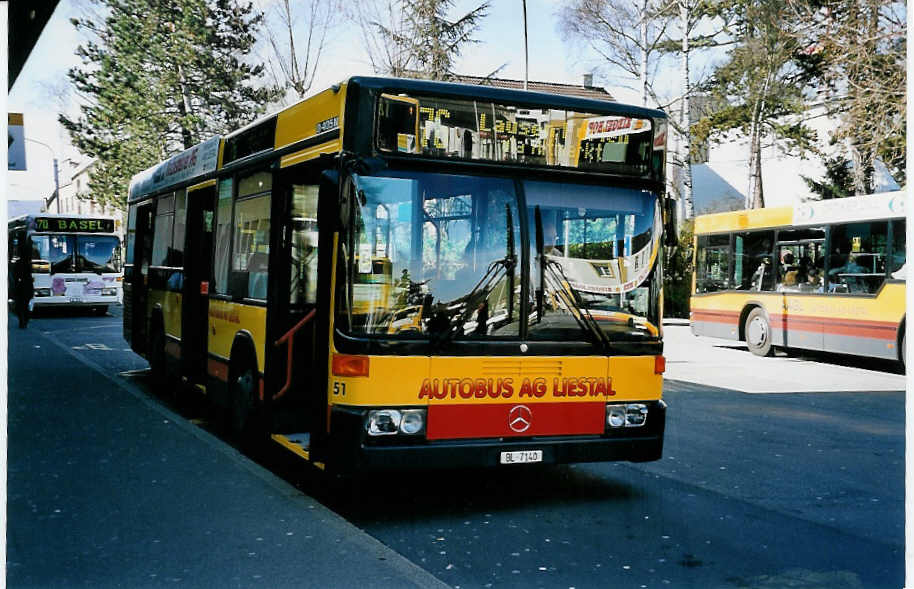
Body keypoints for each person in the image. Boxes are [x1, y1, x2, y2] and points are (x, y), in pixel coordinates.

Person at [13, 237, 33, 328]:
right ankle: (24, 321)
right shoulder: (28, 264)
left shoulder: (18, 263)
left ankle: (22, 321)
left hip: (20, 287)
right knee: (25, 305)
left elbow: (15, 276)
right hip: (27, 287)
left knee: (20, 306)